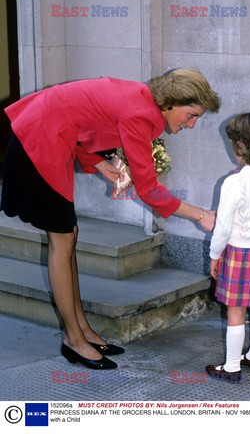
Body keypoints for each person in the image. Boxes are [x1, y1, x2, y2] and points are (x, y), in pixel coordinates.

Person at [0, 68, 220, 370]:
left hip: (52, 131)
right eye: (192, 115)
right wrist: (201, 215)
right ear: (171, 103)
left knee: (69, 235)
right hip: (39, 138)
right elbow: (149, 191)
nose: (192, 124)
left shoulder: (143, 102)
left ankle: (82, 330)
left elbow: (79, 116)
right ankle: (73, 339)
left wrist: (98, 163)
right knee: (62, 239)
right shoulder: (141, 115)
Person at [206, 113, 250, 383]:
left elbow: (223, 227)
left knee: (235, 309)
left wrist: (215, 255)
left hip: (239, 252)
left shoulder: (233, 183)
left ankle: (232, 367)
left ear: (239, 147)